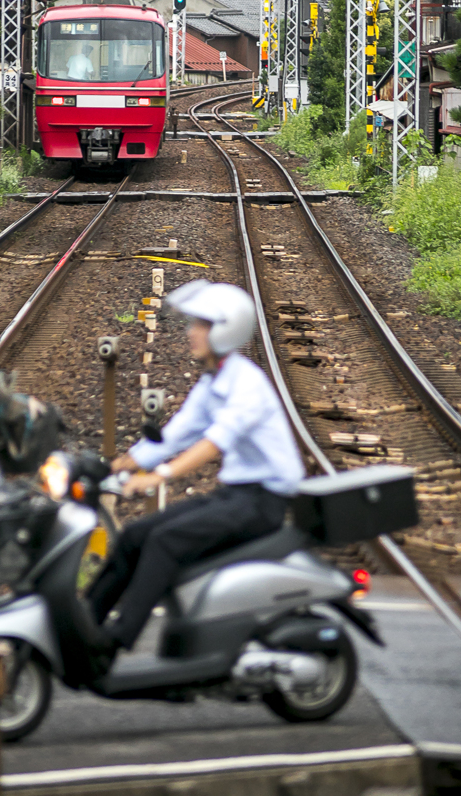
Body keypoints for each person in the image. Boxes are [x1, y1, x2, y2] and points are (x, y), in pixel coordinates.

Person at [89, 279, 305, 653]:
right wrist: (116, 468)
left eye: (200, 325)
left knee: (164, 541)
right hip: (236, 495)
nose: (191, 333)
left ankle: (117, 639)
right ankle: (85, 622)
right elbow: (172, 437)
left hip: (262, 503)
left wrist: (159, 476)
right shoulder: (213, 381)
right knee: (134, 536)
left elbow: (214, 441)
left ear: (225, 329)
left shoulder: (246, 384)